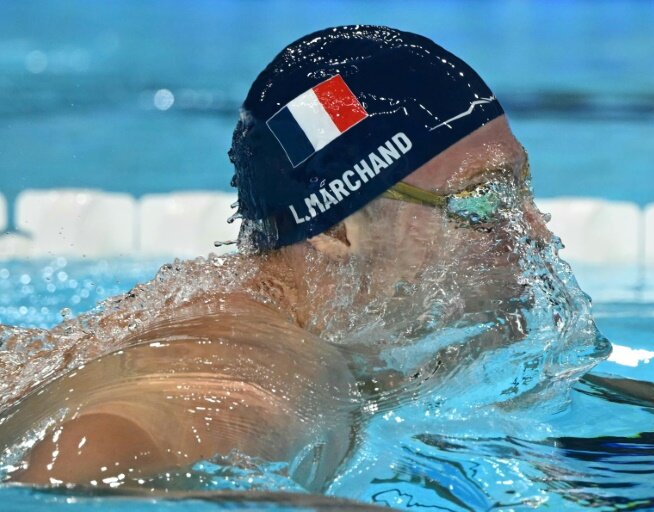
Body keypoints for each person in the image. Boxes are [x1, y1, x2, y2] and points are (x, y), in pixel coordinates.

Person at [0, 26, 554, 491]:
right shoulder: (269, 366)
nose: (535, 230)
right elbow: (79, 463)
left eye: (524, 188)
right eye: (482, 200)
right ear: (337, 229)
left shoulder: (352, 331)